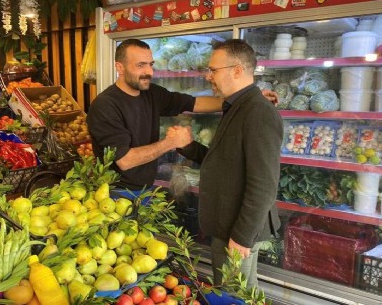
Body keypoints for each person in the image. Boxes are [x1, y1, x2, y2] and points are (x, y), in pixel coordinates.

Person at [86, 38, 278, 194]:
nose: (149, 72)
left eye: (151, 64)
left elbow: (195, 103)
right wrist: (171, 142)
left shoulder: (151, 93)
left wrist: (244, 97)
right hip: (115, 193)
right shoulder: (105, 106)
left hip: (144, 189)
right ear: (119, 68)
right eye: (140, 65)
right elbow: (125, 161)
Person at [173, 39, 283, 289]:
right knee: (239, 292)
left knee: (233, 294)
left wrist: (241, 237)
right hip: (227, 225)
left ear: (237, 70)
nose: (208, 76)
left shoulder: (258, 111)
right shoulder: (236, 106)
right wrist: (188, 145)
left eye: (213, 70)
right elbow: (225, 162)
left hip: (237, 230)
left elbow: (264, 185)